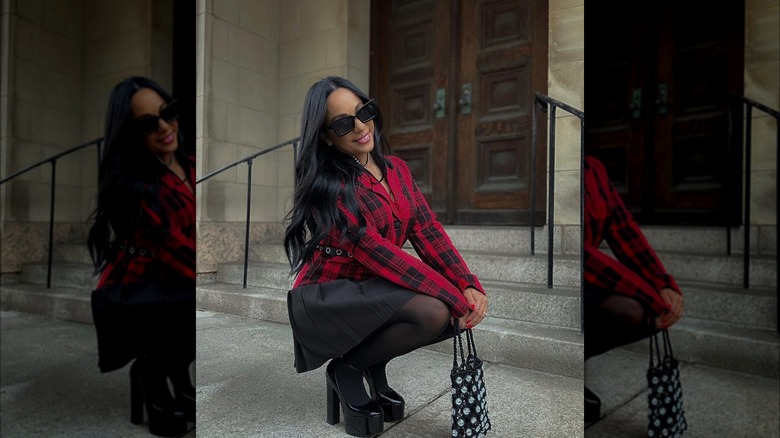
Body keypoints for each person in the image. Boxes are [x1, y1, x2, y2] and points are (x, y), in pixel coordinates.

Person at [284, 76, 489, 437]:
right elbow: (375, 252)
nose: (361, 126)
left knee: (448, 309)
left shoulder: (396, 169)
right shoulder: (330, 186)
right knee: (435, 310)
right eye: (344, 122)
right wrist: (451, 294)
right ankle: (346, 370)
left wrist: (466, 282)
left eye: (364, 111)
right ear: (326, 136)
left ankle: (372, 363)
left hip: (374, 286)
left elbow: (427, 230)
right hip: (329, 294)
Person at [87, 76, 195, 436]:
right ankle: (151, 374)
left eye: (168, 113)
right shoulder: (134, 186)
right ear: (131, 134)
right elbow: (176, 251)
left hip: (173, 278)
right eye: (149, 122)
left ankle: (176, 376)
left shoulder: (192, 165)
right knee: (195, 306)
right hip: (138, 286)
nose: (165, 127)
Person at [583, 155, 684, 422]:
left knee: (646, 314)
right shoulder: (551, 168)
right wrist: (647, 293)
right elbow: (575, 251)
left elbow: (623, 230)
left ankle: (573, 364)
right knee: (632, 309)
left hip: (591, 278)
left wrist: (661, 283)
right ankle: (567, 367)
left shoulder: (593, 168)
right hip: (565, 274)